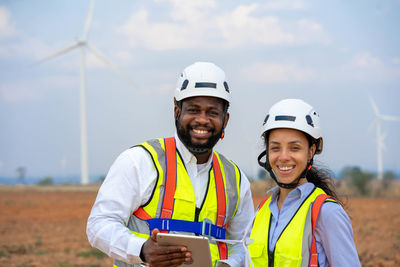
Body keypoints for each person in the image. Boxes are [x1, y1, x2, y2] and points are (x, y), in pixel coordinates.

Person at [86, 61, 254, 267]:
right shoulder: (141, 161)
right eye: (193, 110)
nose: (202, 120)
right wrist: (141, 249)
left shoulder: (235, 180)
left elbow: (242, 244)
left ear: (225, 120)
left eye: (212, 112)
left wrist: (230, 264)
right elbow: (99, 225)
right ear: (177, 112)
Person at [248, 99, 361, 267]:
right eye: (275, 148)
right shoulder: (261, 212)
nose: (284, 156)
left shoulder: (327, 213)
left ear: (311, 151)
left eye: (294, 148)